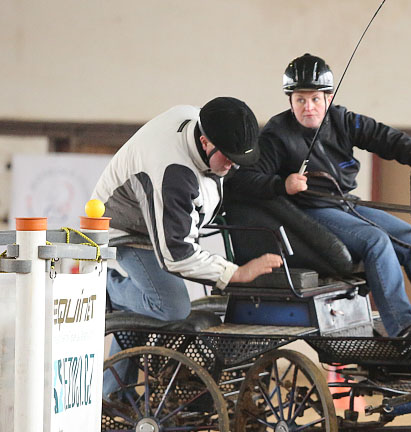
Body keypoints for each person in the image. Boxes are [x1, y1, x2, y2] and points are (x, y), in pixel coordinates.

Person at [228, 53, 411, 336]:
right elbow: (244, 179)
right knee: (375, 241)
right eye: (300, 100)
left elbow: (384, 137)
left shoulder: (343, 120)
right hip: (309, 212)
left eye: (315, 99)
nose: (308, 107)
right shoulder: (276, 134)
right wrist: (282, 185)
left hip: (346, 205)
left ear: (328, 98)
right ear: (290, 101)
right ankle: (402, 326)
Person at [94, 97, 282, 397]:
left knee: (142, 309)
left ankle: (112, 391)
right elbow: (176, 255)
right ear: (205, 142)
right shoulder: (173, 170)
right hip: (125, 227)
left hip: (159, 222)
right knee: (171, 308)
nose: (233, 166)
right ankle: (110, 289)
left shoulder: (209, 126)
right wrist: (235, 273)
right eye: (229, 158)